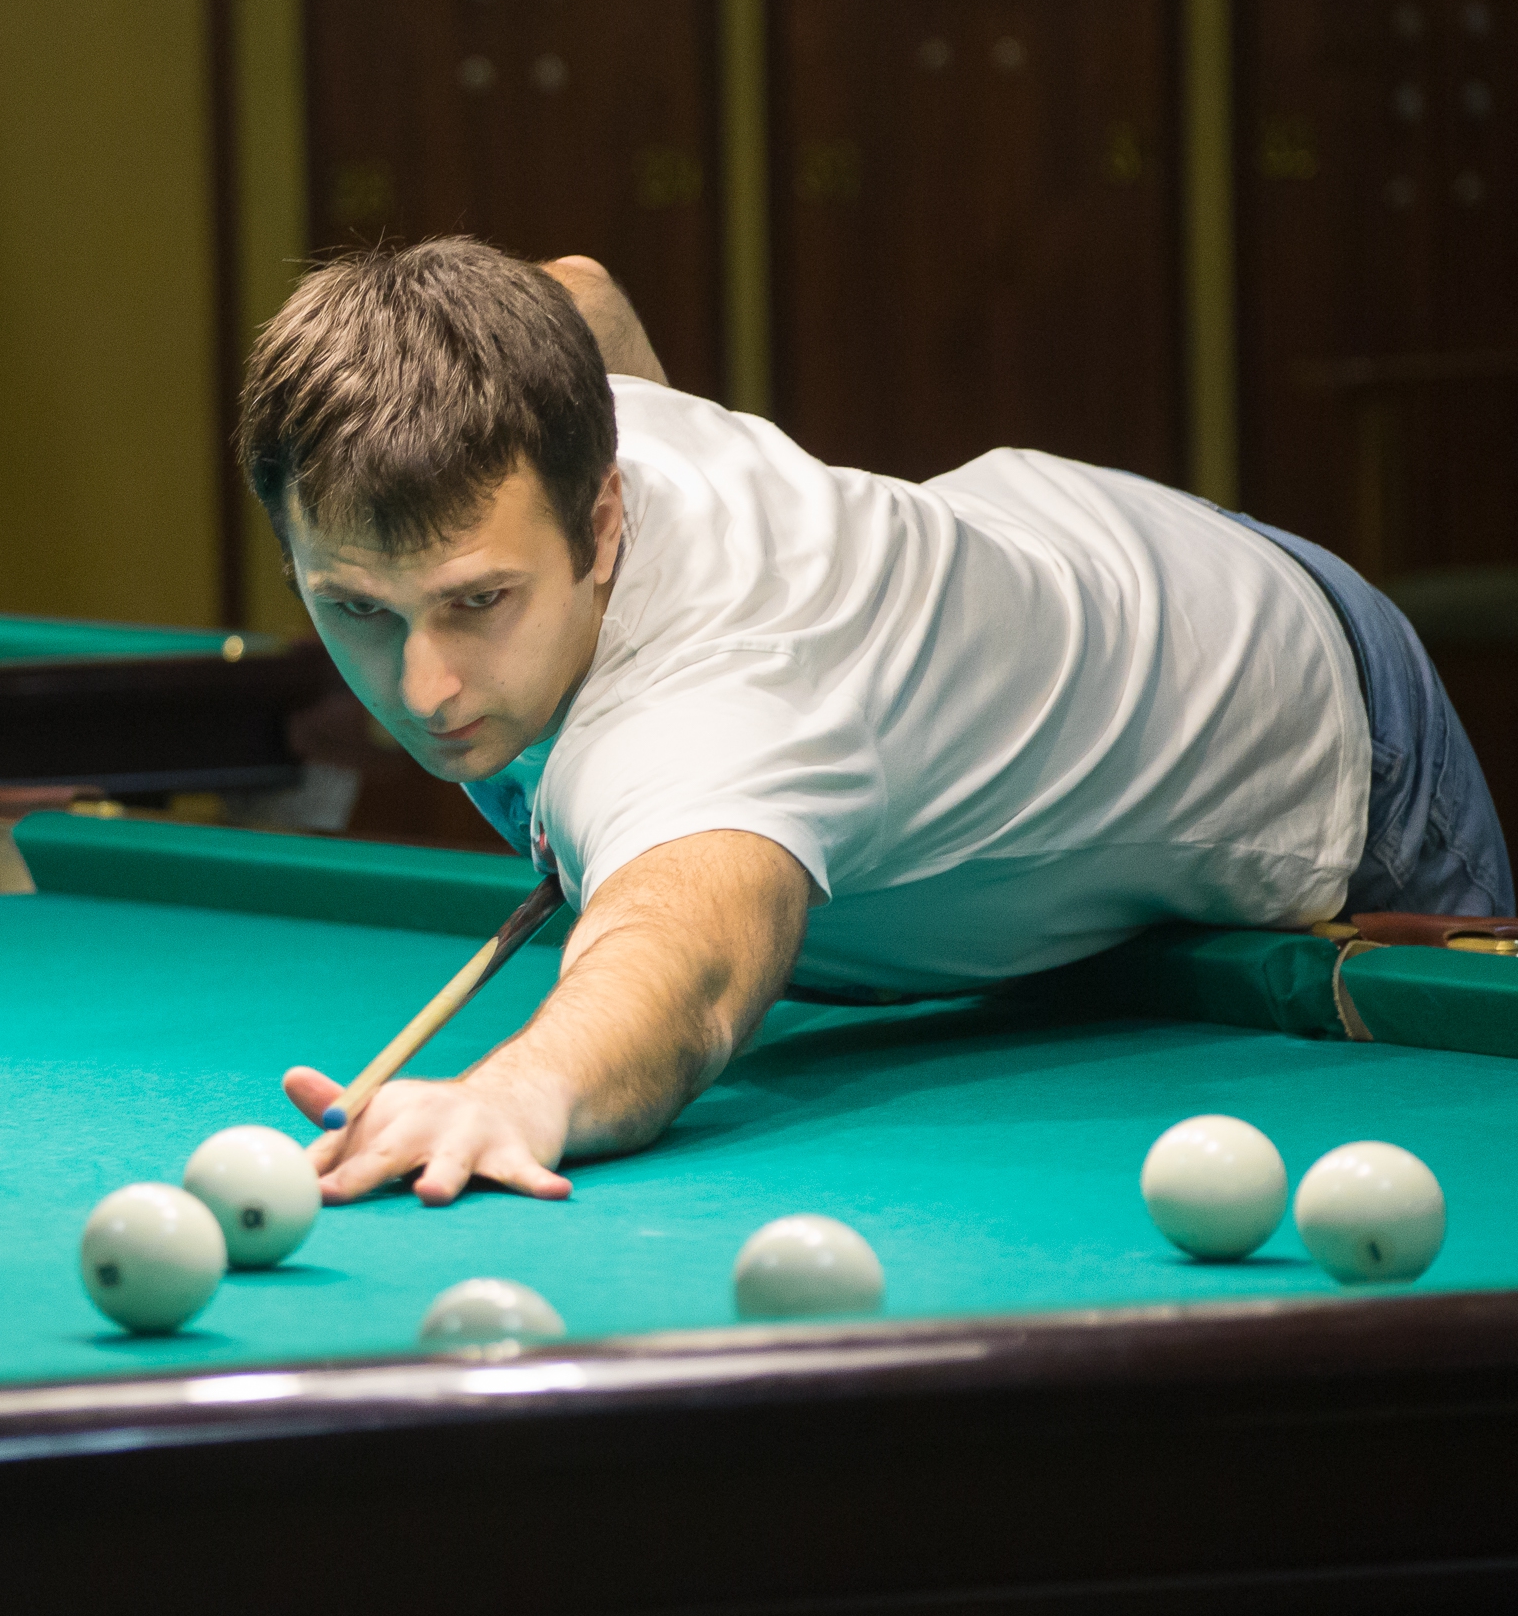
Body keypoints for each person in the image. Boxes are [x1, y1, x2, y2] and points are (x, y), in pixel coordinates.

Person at [239, 237, 1513, 1209]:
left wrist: (518, 1090)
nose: (426, 687)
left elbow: (686, 963)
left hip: (1300, 700)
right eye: (356, 608)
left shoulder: (720, 705)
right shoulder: (531, 397)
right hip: (1083, 564)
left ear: (603, 521)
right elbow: (578, 291)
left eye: (479, 602)